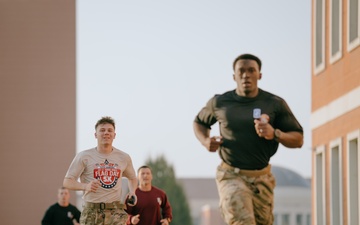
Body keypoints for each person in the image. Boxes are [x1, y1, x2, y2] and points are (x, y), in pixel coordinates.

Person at [193, 53, 304, 225]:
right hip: (231, 175)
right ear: (234, 76)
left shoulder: (274, 103)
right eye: (241, 71)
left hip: (262, 178)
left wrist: (275, 133)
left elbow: (298, 139)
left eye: (251, 70)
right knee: (242, 222)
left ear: (259, 75)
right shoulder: (220, 102)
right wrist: (205, 141)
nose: (246, 75)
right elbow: (199, 122)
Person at [63, 116, 138, 225]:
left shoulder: (124, 157)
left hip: (115, 213)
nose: (106, 133)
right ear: (95, 135)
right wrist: (85, 186)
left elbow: (132, 178)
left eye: (110, 130)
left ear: (114, 135)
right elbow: (67, 182)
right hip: (91, 213)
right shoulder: (84, 156)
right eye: (102, 130)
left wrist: (132, 192)